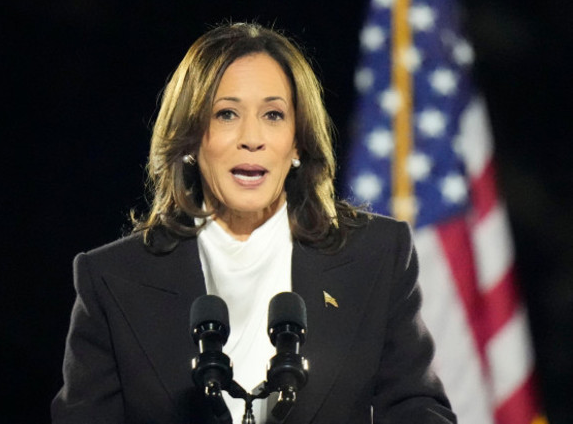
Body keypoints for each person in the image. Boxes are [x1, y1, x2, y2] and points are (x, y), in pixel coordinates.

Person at [51, 22, 457, 424]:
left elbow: (416, 409)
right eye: (226, 114)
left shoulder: (377, 255)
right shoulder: (112, 279)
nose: (252, 137)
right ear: (191, 138)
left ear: (297, 141)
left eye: (273, 115)